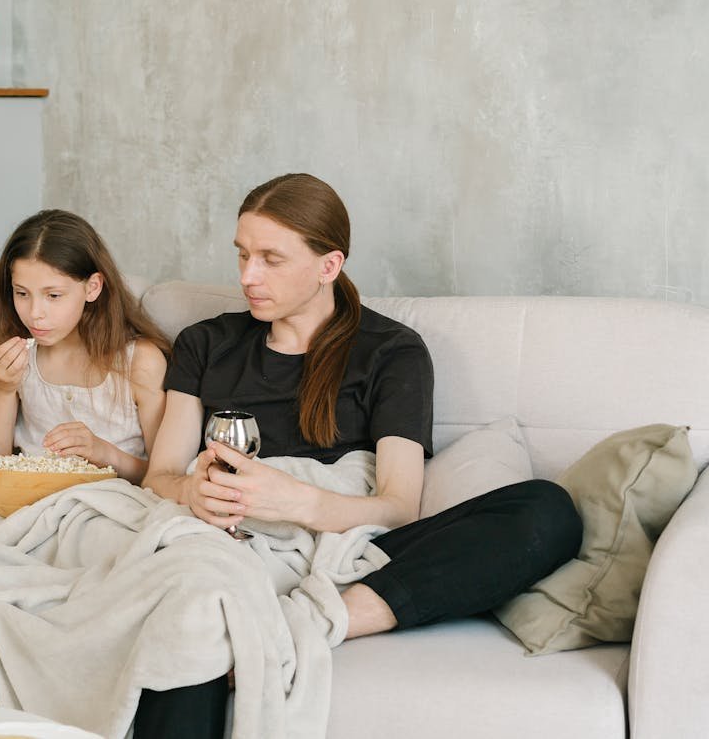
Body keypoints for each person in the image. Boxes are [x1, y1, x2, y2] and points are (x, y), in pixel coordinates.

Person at [136, 173, 582, 738]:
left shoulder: (391, 352)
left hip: (350, 552)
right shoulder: (207, 344)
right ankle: (248, 623)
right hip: (231, 546)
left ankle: (312, 620)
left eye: (271, 258)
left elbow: (398, 506)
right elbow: (160, 476)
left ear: (329, 265)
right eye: (243, 255)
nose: (248, 277)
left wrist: (299, 501)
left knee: (547, 510)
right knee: (193, 614)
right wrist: (191, 490)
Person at [0, 209, 169, 484]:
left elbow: (167, 477)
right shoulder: (18, 356)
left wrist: (104, 453)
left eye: (53, 295)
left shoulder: (139, 361)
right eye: (22, 293)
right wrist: (1, 389)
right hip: (31, 503)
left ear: (93, 288)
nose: (35, 313)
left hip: (112, 502)